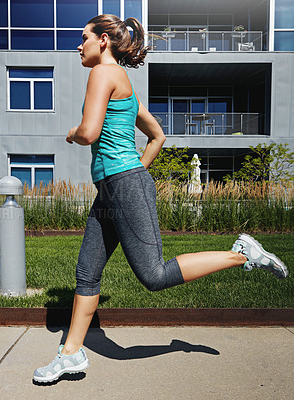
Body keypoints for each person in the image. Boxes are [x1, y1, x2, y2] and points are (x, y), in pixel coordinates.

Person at [33, 14, 289, 383]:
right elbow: (158, 136)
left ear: (103, 40)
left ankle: (241, 254)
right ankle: (70, 353)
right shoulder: (125, 86)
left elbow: (89, 132)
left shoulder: (102, 74)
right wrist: (130, 172)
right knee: (87, 272)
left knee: (153, 275)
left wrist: (75, 134)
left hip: (122, 185)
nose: (79, 45)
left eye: (84, 38)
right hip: (112, 188)